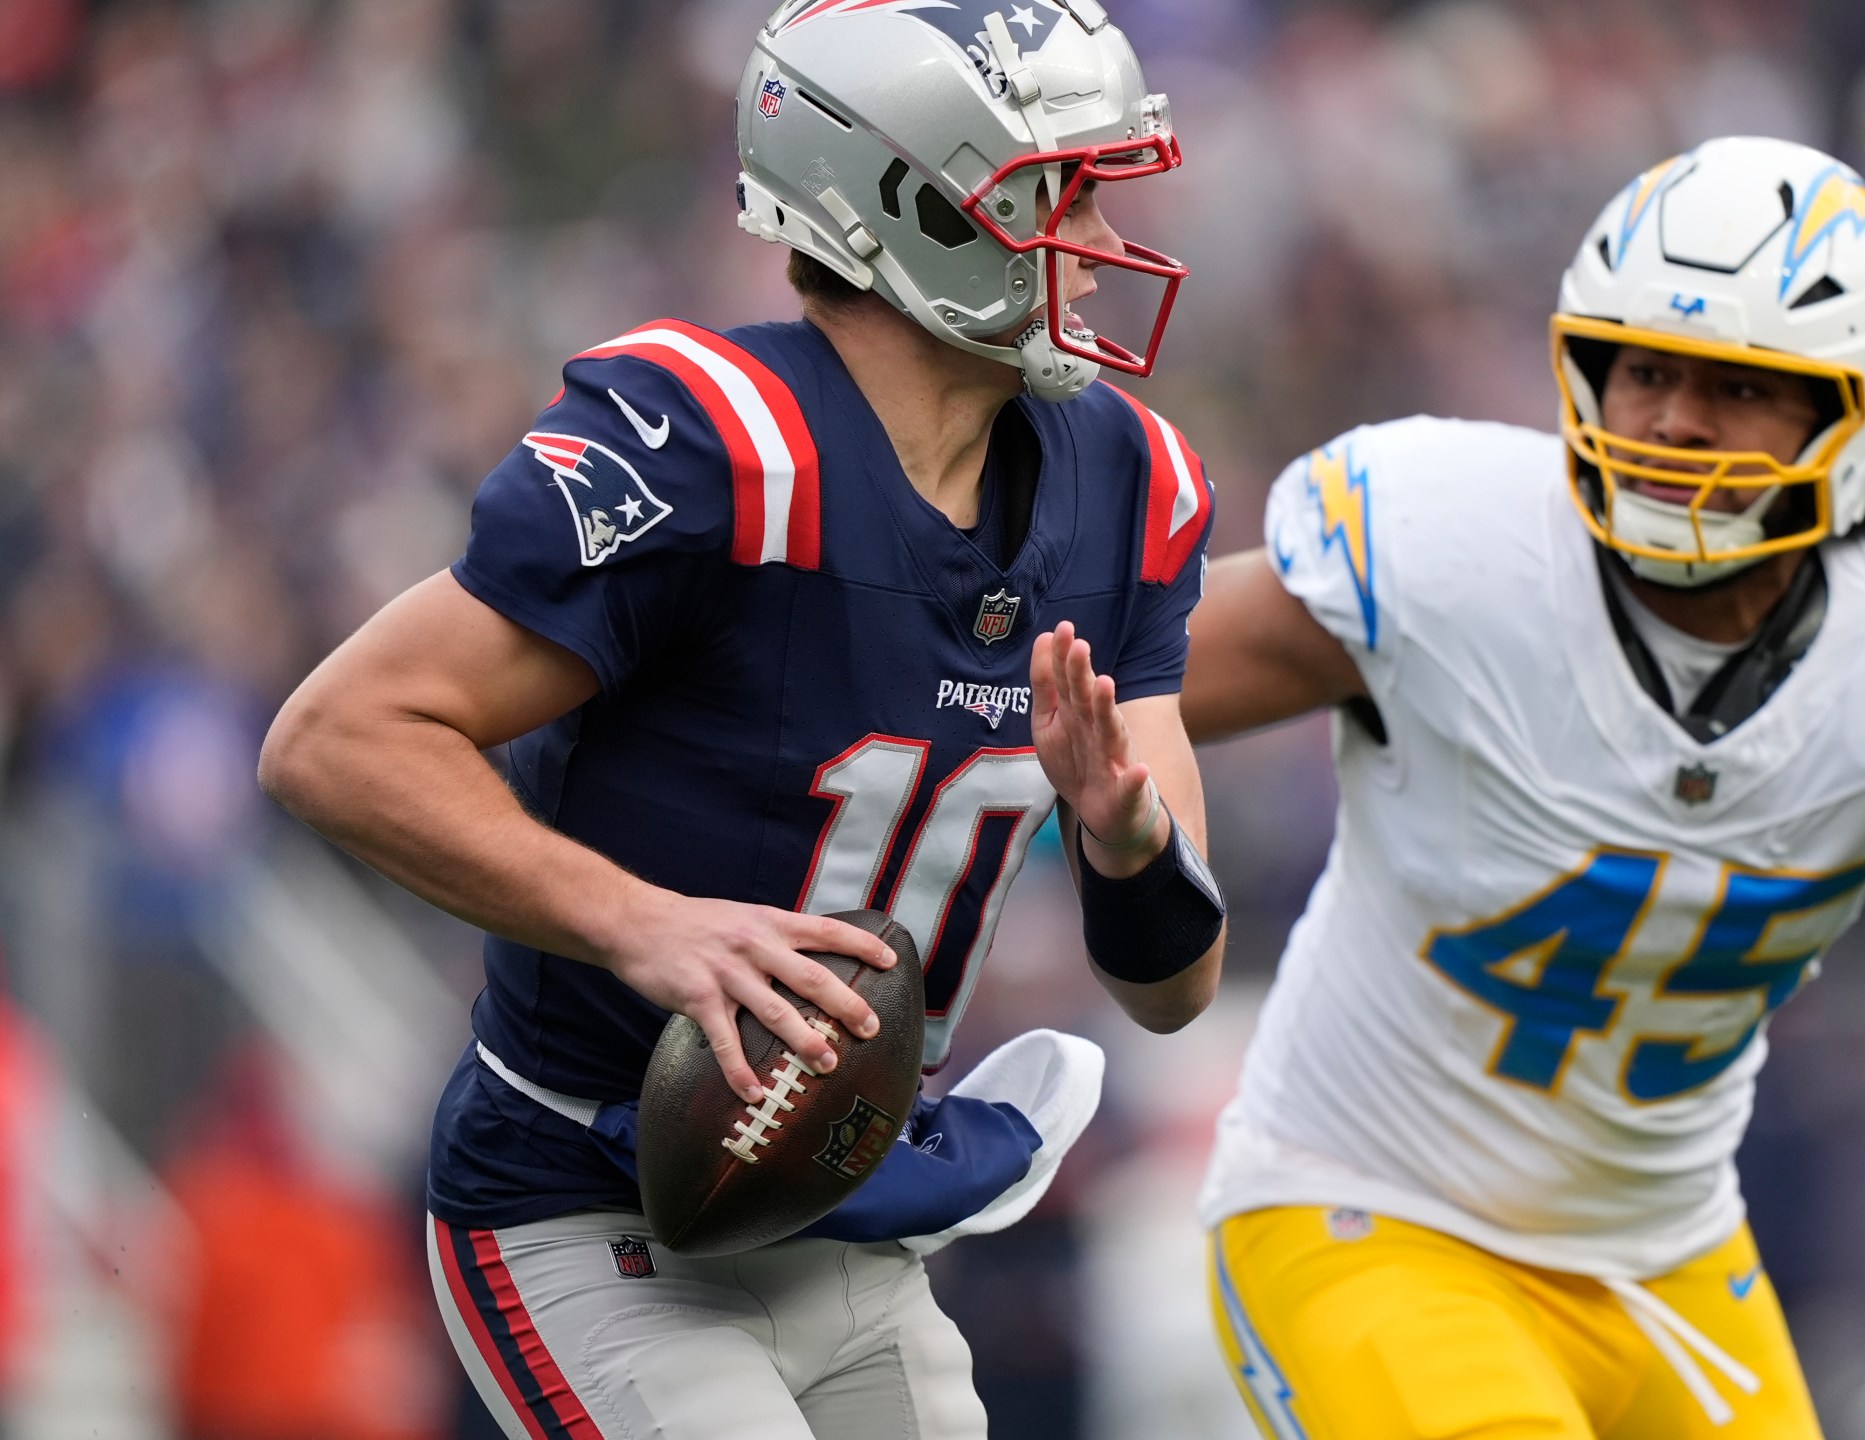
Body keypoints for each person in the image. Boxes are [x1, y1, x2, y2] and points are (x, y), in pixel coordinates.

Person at [258, 5, 1226, 1436]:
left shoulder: (1129, 484)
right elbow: (336, 739)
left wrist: (1131, 841)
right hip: (596, 1205)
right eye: (1055, 188)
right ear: (918, 200)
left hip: (853, 1218)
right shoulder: (721, 444)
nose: (1093, 229)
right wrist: (647, 921)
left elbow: (1173, 990)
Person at [1179, 136, 1865, 1440]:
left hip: (1667, 1255)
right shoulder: (1447, 547)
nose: (1671, 421)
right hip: (1371, 1206)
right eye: (1644, 369)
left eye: (1738, 386)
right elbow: (1108, 685)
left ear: (1854, 411)